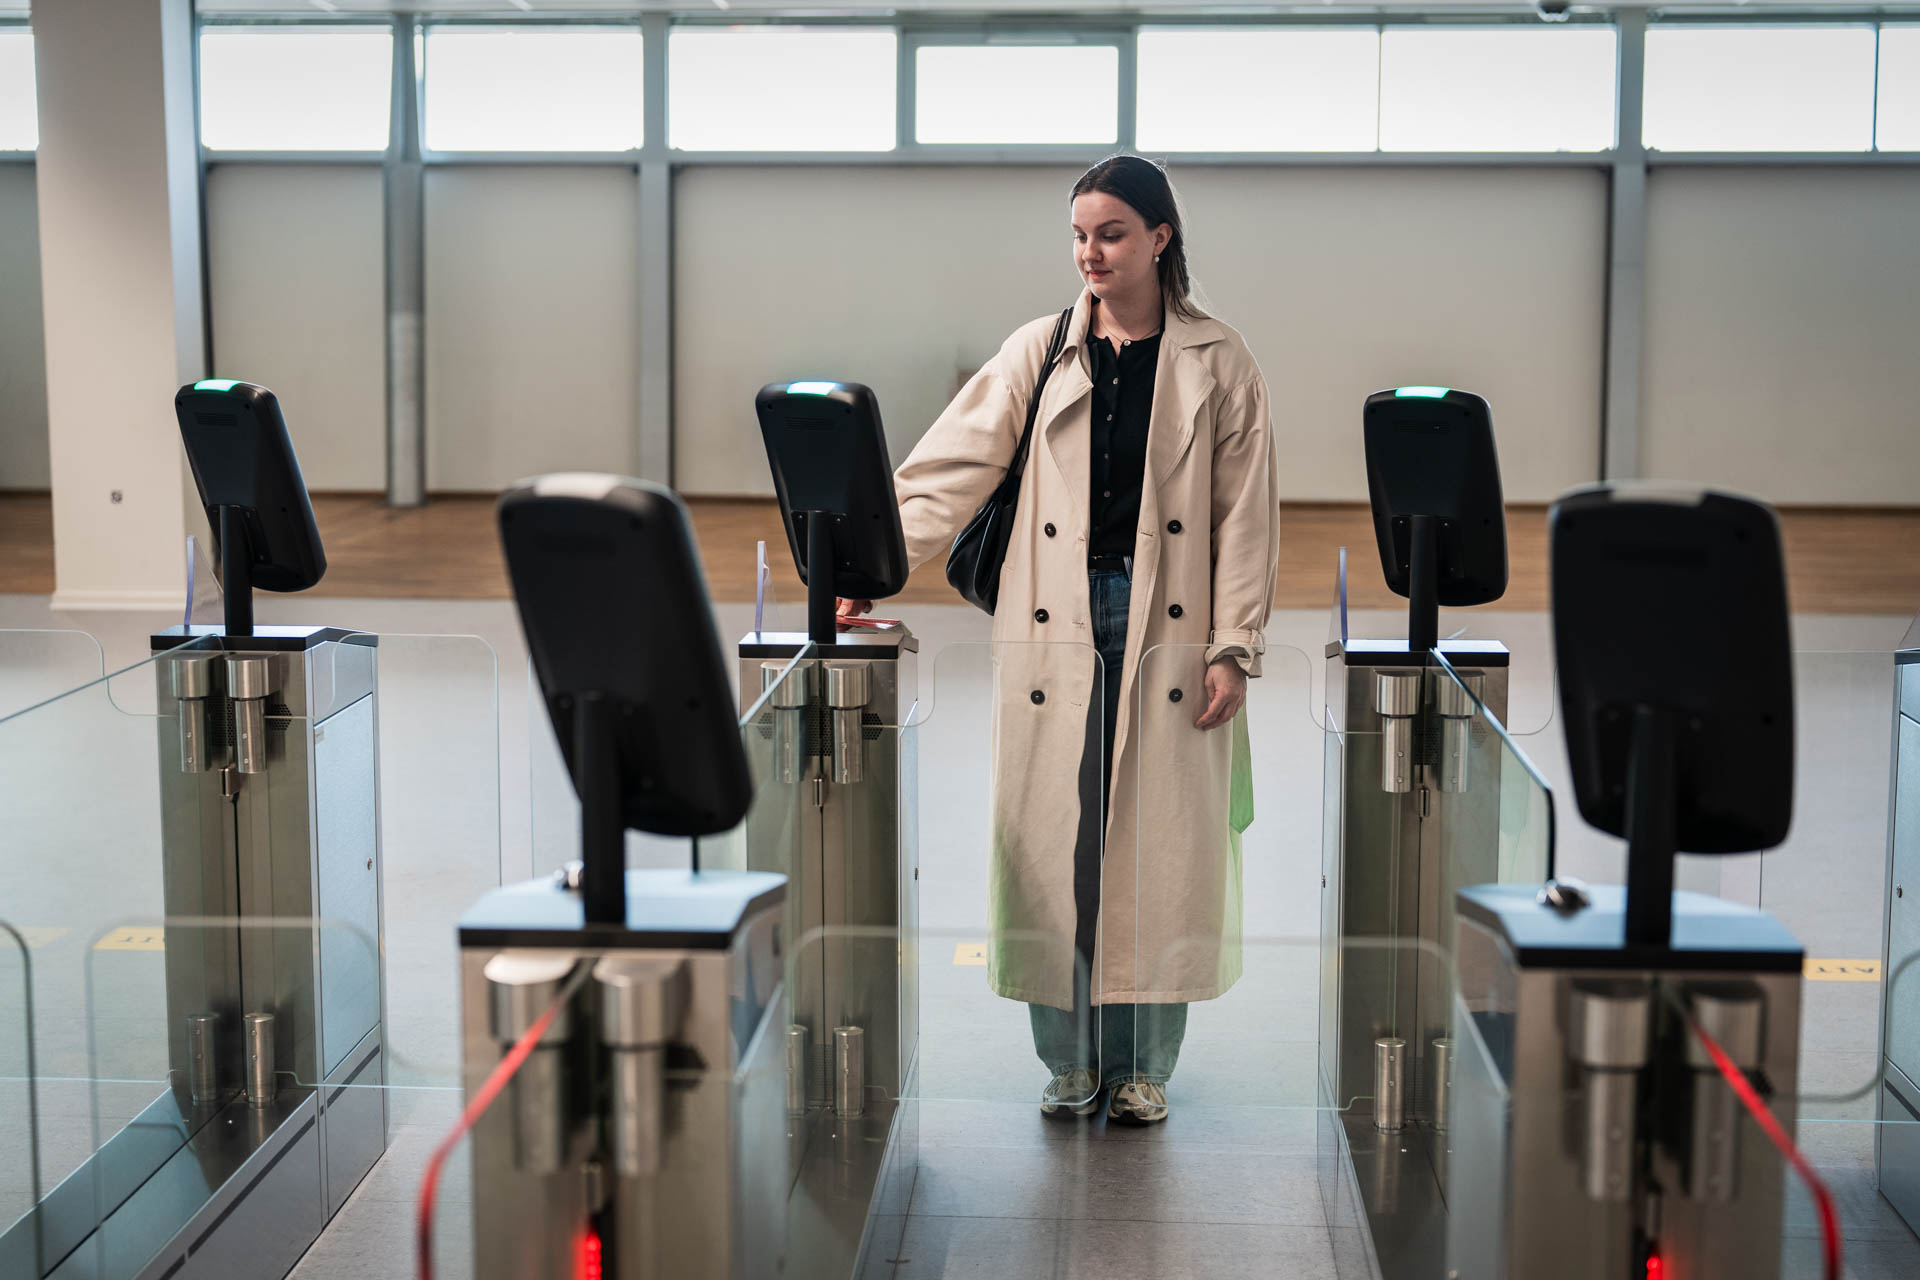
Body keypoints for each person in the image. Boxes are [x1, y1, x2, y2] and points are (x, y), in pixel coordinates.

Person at [841, 155, 1279, 1125]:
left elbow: (1245, 517)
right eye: (1080, 233)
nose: (1091, 251)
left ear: (1161, 237)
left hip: (1172, 627)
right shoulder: (1040, 349)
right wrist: (866, 564)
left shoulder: (1220, 359)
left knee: (1157, 845)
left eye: (1112, 232)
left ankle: (1141, 1064)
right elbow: (945, 473)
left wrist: (1234, 644)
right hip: (1053, 621)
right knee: (1055, 841)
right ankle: (1067, 1060)